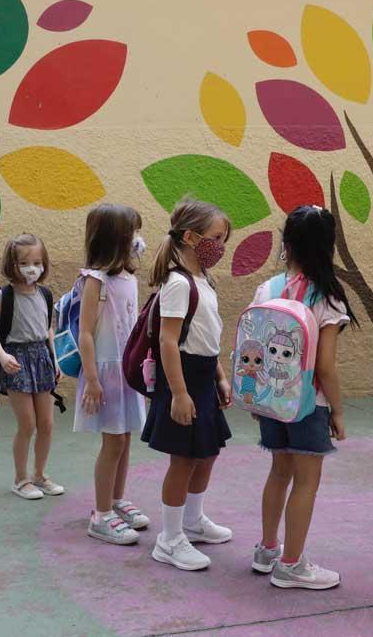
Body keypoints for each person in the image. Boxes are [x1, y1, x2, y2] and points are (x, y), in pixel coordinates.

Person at [251, 206, 355, 590]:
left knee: (279, 472)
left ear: (287, 244)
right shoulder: (327, 295)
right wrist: (338, 412)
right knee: (306, 482)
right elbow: (325, 366)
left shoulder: (268, 288)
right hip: (309, 404)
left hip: (271, 400)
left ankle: (267, 550)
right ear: (328, 247)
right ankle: (291, 565)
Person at [141, 199, 234, 571]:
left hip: (203, 375)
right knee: (183, 459)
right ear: (190, 237)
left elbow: (206, 337)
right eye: (216, 237)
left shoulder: (203, 280)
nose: (221, 246)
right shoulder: (178, 283)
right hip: (182, 379)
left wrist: (220, 376)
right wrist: (179, 393)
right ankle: (169, 539)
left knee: (207, 453)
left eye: (224, 238)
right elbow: (169, 341)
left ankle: (193, 521)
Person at [76, 204, 151, 545]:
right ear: (116, 239)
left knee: (126, 437)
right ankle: (101, 514)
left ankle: (118, 500)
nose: (138, 239)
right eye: (132, 232)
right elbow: (86, 333)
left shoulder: (128, 279)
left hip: (127, 370)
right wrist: (91, 379)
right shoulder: (95, 280)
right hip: (105, 373)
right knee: (113, 440)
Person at [0, 233, 64, 500]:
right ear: (12, 264)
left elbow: (48, 329)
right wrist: (2, 356)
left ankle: (40, 475)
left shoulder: (45, 294)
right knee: (27, 424)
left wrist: (56, 359)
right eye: (24, 263)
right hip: (17, 361)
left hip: (42, 358)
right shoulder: (4, 296)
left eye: (37, 262)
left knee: (47, 423)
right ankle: (21, 479)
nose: (32, 268)